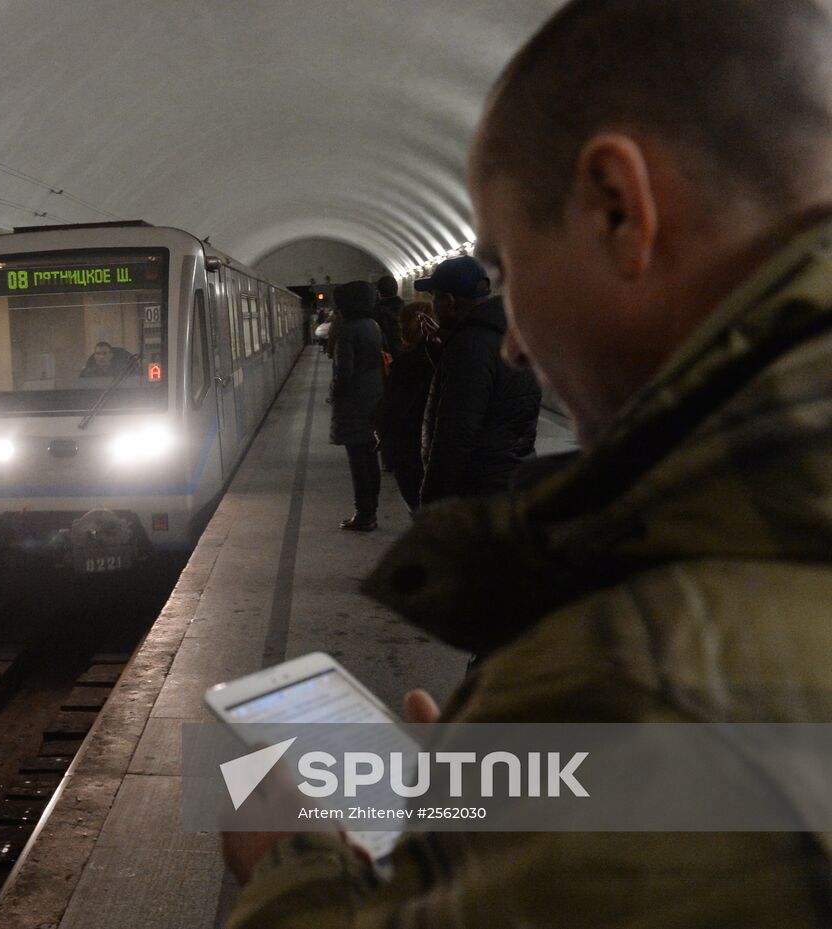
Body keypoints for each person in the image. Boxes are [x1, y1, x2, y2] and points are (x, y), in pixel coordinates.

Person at [223, 0, 832, 925]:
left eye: (508, 267)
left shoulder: (636, 681)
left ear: (618, 207)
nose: (511, 345)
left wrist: (291, 862)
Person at [414, 255, 541, 504]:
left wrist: (431, 501)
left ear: (449, 302)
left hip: (478, 489)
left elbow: (456, 435)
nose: (433, 305)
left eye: (435, 297)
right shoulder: (508, 334)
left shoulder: (469, 347)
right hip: (512, 477)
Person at [327, 280, 384, 531]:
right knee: (371, 459)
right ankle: (372, 510)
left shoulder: (347, 331)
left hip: (354, 404)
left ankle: (364, 514)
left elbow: (344, 374)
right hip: (373, 398)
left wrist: (334, 393)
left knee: (357, 461)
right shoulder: (372, 325)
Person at [376, 301, 436, 512]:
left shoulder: (407, 364)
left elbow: (393, 408)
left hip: (410, 447)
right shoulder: (448, 356)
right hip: (435, 447)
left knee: (418, 503)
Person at [372, 274, 405, 356]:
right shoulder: (405, 308)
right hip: (403, 351)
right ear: (396, 289)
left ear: (379, 292)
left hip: (384, 354)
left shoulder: (376, 311)